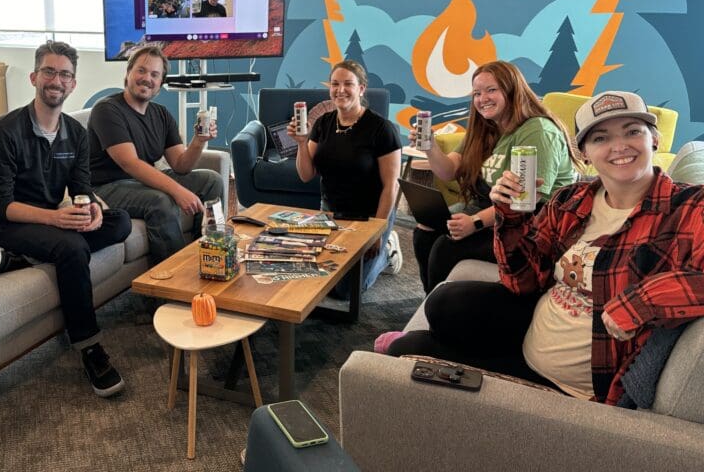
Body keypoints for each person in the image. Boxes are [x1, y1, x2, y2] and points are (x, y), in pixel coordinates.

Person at [388, 91, 704, 404]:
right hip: (528, 339)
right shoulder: (571, 200)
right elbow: (522, 281)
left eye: (632, 131)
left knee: (404, 351)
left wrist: (640, 303)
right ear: (584, 153)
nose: (619, 146)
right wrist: (509, 216)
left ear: (654, 139)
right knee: (442, 305)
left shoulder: (691, 207)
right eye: (601, 138)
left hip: (574, 389)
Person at [0, 40, 132, 398]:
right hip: (4, 224)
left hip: (45, 224)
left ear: (73, 84)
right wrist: (58, 220)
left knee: (120, 221)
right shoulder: (4, 133)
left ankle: (19, 259)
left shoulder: (75, 133)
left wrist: (92, 209)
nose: (56, 80)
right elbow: (0, 206)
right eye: (49, 71)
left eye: (64, 74)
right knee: (72, 248)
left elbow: (81, 188)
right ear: (34, 77)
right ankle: (89, 346)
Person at [411, 60, 578, 294]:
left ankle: (438, 306)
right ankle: (431, 299)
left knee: (446, 247)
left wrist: (476, 222)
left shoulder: (537, 130)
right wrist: (429, 146)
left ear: (512, 90)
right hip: (491, 208)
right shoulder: (486, 127)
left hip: (531, 223)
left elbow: (526, 200)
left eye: (491, 90)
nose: (483, 99)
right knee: (424, 231)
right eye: (477, 93)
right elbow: (448, 171)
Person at [88, 45, 224, 265]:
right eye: (141, 71)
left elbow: (180, 165)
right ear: (128, 74)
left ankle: (210, 253)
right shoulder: (107, 109)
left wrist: (198, 141)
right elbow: (130, 163)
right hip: (106, 186)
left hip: (139, 183)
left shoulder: (161, 114)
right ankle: (175, 275)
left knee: (211, 181)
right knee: (160, 201)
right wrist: (178, 191)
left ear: (160, 83)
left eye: (154, 74)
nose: (147, 79)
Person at [287, 59, 402, 291]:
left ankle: (388, 251)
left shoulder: (381, 129)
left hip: (370, 215)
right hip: (331, 211)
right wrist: (301, 143)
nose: (340, 90)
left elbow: (391, 186)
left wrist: (377, 231)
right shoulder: (323, 123)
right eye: (335, 84)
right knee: (318, 278)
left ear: (361, 88)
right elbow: (306, 175)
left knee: (346, 290)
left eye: (348, 84)